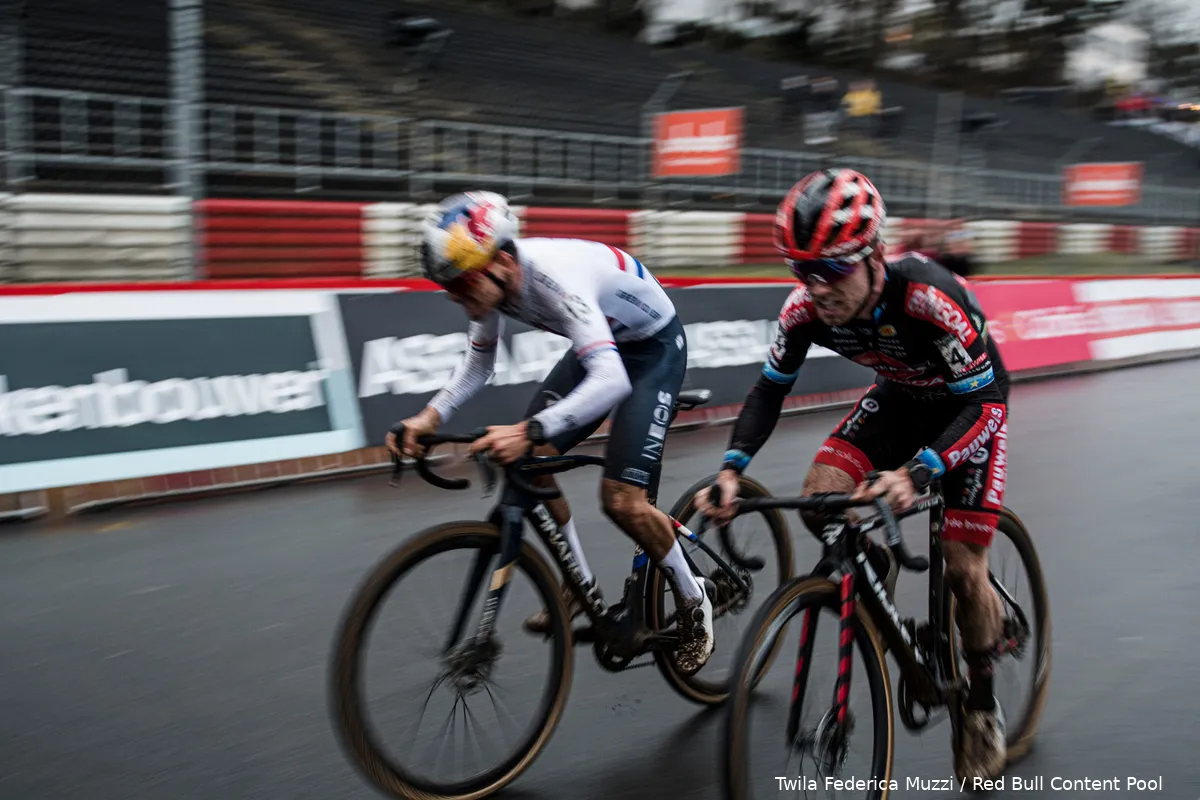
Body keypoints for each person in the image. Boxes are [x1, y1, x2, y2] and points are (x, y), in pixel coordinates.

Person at [694, 168, 1010, 781]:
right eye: (802, 272)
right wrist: (732, 468)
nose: (818, 289)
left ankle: (982, 703)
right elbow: (768, 390)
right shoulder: (804, 311)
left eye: (832, 271)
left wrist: (920, 473)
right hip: (897, 398)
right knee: (820, 500)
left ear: (874, 255)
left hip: (968, 405)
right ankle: (872, 573)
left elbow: (987, 403)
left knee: (965, 567)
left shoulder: (926, 297)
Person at [386, 190, 715, 675]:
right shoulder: (492, 283)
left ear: (500, 262)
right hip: (604, 341)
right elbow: (479, 365)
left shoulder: (554, 278)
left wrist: (529, 427)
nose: (455, 296)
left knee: (622, 501)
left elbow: (612, 381)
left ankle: (693, 599)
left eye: (460, 284)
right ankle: (580, 587)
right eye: (447, 287)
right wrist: (430, 416)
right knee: (527, 456)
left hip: (651, 350)